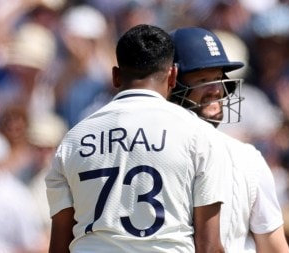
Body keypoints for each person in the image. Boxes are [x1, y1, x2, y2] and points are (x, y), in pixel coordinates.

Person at [45, 24, 227, 253]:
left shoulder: (73, 140)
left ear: (116, 76)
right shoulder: (199, 133)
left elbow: (59, 247)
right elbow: (209, 247)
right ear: (172, 76)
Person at [170, 27, 289, 253]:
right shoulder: (147, 152)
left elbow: (274, 247)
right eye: (202, 79)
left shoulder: (248, 159)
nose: (216, 90)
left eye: (218, 79)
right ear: (171, 83)